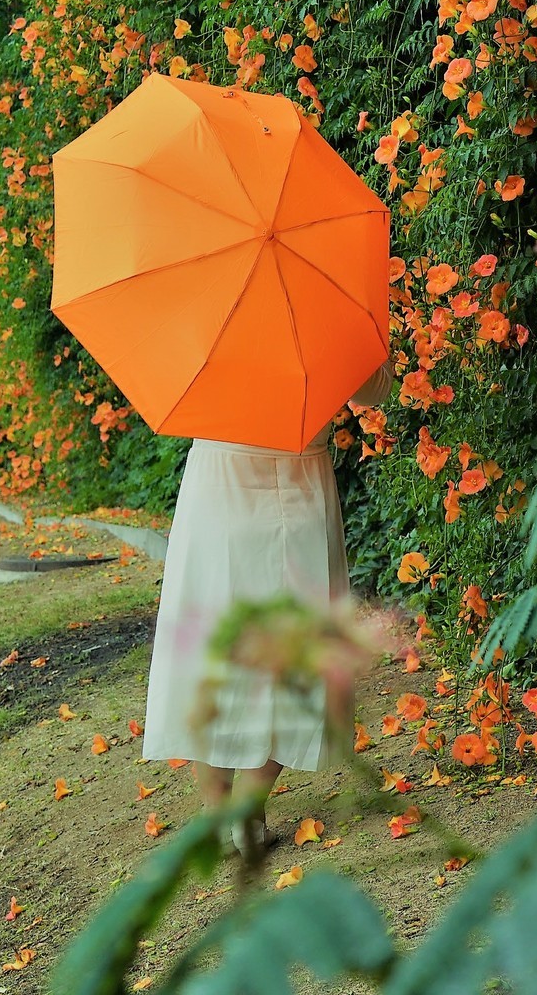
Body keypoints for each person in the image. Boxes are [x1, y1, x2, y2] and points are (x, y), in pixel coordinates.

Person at [141, 356, 394, 862]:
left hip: (219, 481)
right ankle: (248, 807)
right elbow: (374, 391)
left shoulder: (211, 317)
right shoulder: (327, 316)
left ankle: (219, 812)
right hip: (298, 483)